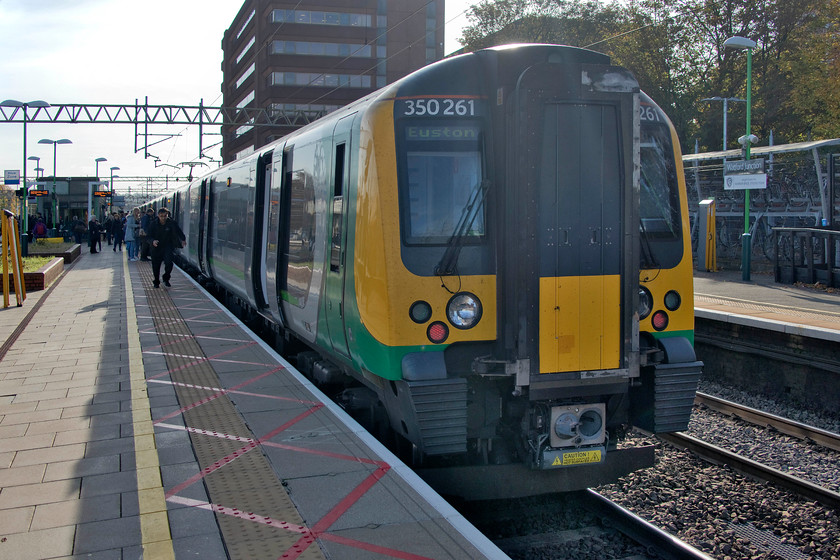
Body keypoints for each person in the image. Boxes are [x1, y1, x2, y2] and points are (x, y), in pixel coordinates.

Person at [147, 207, 185, 288]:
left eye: (165, 216)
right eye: (161, 216)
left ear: (167, 215)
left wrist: (183, 239)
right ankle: (156, 281)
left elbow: (179, 231)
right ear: (158, 215)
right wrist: (153, 241)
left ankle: (166, 278)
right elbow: (148, 236)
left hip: (168, 246)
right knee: (156, 265)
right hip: (156, 247)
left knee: (169, 263)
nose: (163, 218)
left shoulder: (172, 223)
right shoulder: (153, 224)